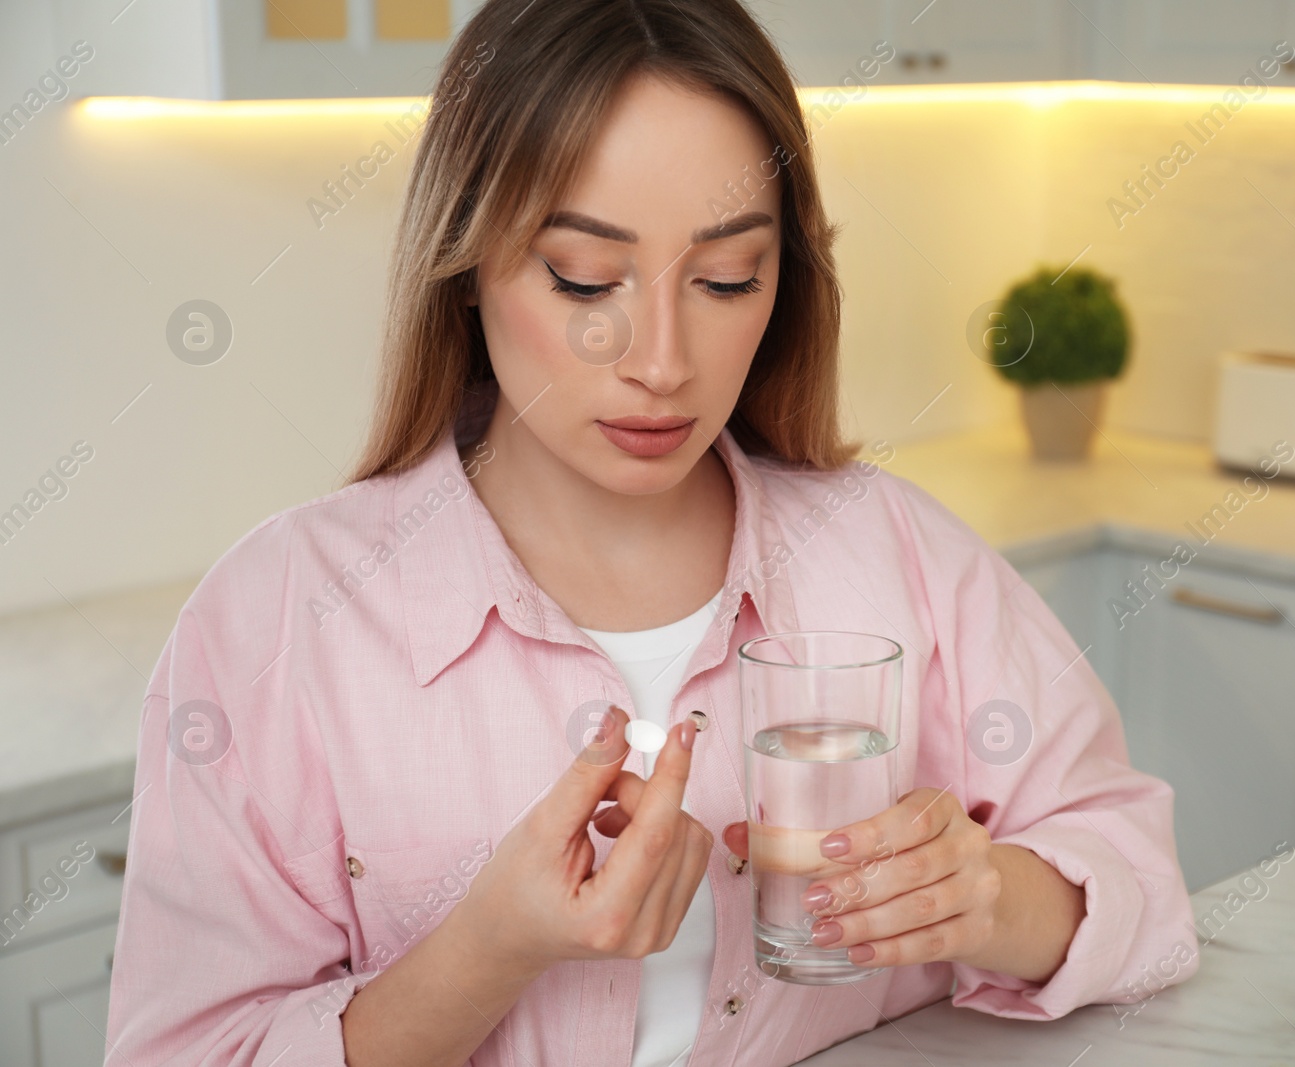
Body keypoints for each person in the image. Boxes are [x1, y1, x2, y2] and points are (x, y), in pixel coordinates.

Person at [103, 0, 1198, 1063]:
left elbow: (1136, 880)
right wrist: (489, 947)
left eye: (727, 278)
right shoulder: (277, 622)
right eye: (585, 277)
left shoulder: (902, 556)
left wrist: (991, 896)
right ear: (466, 262)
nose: (663, 360)